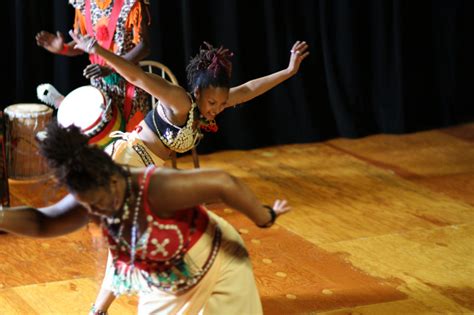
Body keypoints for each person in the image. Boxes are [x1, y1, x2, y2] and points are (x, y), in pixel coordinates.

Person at [0, 122, 290, 314]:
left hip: (221, 257)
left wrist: (265, 216)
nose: (96, 214)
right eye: (90, 207)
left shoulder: (157, 187)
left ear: (113, 179)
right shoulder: (91, 195)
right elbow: (42, 222)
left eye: (98, 204)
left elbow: (223, 183)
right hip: (169, 278)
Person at [69, 30, 310, 167]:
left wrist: (288, 71)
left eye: (222, 103)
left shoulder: (208, 104)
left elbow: (248, 89)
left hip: (150, 168)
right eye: (212, 103)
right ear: (197, 93)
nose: (216, 109)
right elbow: (139, 78)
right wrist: (98, 50)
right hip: (129, 162)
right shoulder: (180, 101)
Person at [36, 0, 152, 132]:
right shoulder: (84, 4)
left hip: (130, 86)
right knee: (104, 143)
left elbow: (144, 47)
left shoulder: (131, 3)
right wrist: (64, 49)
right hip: (100, 91)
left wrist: (110, 68)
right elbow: (85, 43)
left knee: (133, 145)